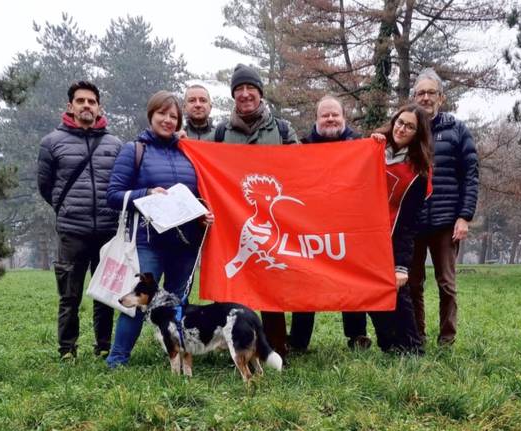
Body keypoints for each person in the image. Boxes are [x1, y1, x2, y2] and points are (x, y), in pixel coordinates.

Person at [105, 91, 212, 368]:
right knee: (138, 303)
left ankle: (178, 361)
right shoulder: (134, 150)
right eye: (162, 114)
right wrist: (148, 193)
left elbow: (201, 193)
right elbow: (114, 195)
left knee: (178, 306)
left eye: (173, 116)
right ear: (151, 115)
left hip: (186, 243)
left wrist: (203, 214)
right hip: (149, 242)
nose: (167, 120)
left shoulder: (189, 151)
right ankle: (117, 360)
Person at [210, 63, 298, 359]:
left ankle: (276, 346)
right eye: (239, 90)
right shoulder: (221, 132)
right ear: (234, 95)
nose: (245, 94)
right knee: (237, 286)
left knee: (272, 285)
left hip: (276, 223)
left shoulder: (282, 129)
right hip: (232, 221)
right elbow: (203, 163)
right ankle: (239, 345)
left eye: (251, 88)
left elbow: (305, 166)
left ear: (260, 93)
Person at [37, 81, 122, 360]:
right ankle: (67, 349)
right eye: (81, 101)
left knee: (105, 294)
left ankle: (103, 346)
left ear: (99, 108)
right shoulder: (51, 143)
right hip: (72, 231)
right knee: (69, 295)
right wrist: (69, 210)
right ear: (70, 106)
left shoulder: (115, 144)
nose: (86, 105)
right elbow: (46, 187)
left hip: (108, 230)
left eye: (92, 101)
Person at [287, 95, 371, 352]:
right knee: (306, 278)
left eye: (335, 114)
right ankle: (299, 340)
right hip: (311, 224)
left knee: (350, 277)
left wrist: (378, 142)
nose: (331, 119)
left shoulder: (361, 146)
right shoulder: (301, 147)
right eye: (325, 115)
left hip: (348, 224)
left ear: (344, 117)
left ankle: (357, 335)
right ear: (317, 119)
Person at [408, 68, 479, 346]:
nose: (425, 98)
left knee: (446, 284)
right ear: (414, 97)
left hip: (446, 220)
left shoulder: (457, 129)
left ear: (441, 97)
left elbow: (471, 174)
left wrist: (465, 216)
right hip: (413, 221)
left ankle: (447, 338)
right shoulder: (409, 128)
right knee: (413, 285)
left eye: (430, 93)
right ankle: (418, 337)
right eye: (420, 93)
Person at [368, 103, 433, 354]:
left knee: (398, 291)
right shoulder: (374, 149)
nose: (402, 129)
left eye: (410, 126)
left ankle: (413, 347)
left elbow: (409, 222)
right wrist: (370, 144)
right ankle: (388, 345)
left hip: (393, 238)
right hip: (364, 236)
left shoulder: (419, 172)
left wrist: (401, 265)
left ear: (418, 134)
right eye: (400, 122)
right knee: (370, 293)